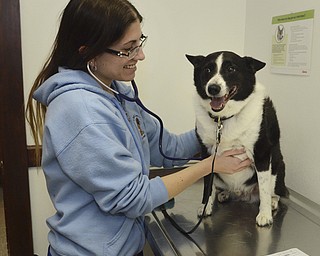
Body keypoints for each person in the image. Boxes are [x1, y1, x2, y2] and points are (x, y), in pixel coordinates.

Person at [26, 0, 251, 255]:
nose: (140, 56)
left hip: (126, 246)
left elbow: (169, 148)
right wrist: (209, 165)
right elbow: (134, 198)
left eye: (139, 43)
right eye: (128, 49)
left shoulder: (117, 94)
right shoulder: (80, 111)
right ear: (88, 52)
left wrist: (227, 124)